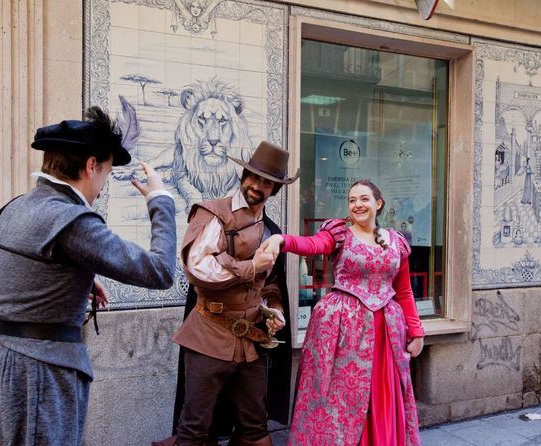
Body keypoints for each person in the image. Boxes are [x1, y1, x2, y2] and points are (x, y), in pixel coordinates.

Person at [0, 106, 177, 446]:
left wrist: (76, 276)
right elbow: (160, 271)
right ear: (91, 166)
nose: (102, 186)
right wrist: (160, 200)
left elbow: (20, 271)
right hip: (36, 377)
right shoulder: (71, 221)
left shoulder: (17, 208)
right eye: (106, 174)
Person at [262, 179, 425, 445]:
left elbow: (404, 291)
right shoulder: (339, 234)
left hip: (386, 331)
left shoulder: (396, 242)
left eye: (364, 199)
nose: (357, 205)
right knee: (341, 396)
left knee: (381, 391)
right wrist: (282, 240)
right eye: (352, 200)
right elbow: (313, 244)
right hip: (344, 330)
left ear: (378, 203)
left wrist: (416, 331)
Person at [156, 141, 298, 446]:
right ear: (244, 175)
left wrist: (276, 312)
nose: (258, 186)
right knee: (195, 430)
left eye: (267, 183)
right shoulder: (213, 213)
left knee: (255, 429)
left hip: (251, 342)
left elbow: (271, 284)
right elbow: (198, 268)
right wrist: (250, 267)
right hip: (209, 336)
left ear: (275, 190)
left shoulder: (271, 231)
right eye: (254, 177)